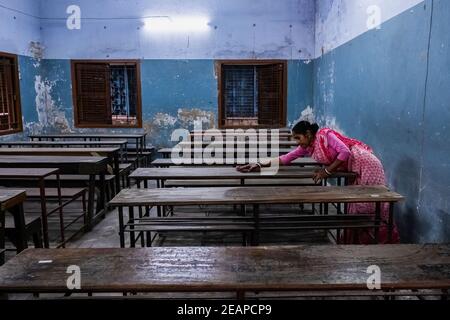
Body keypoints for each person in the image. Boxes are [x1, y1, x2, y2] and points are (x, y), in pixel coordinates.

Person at [236, 121, 400, 244]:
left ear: (308, 134)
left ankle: (382, 244)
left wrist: (327, 171)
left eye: (298, 137)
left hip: (366, 163)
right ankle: (358, 245)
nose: (297, 142)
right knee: (356, 206)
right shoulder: (308, 147)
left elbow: (345, 151)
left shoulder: (325, 135)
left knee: (370, 206)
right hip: (354, 167)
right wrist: (258, 164)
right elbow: (285, 159)